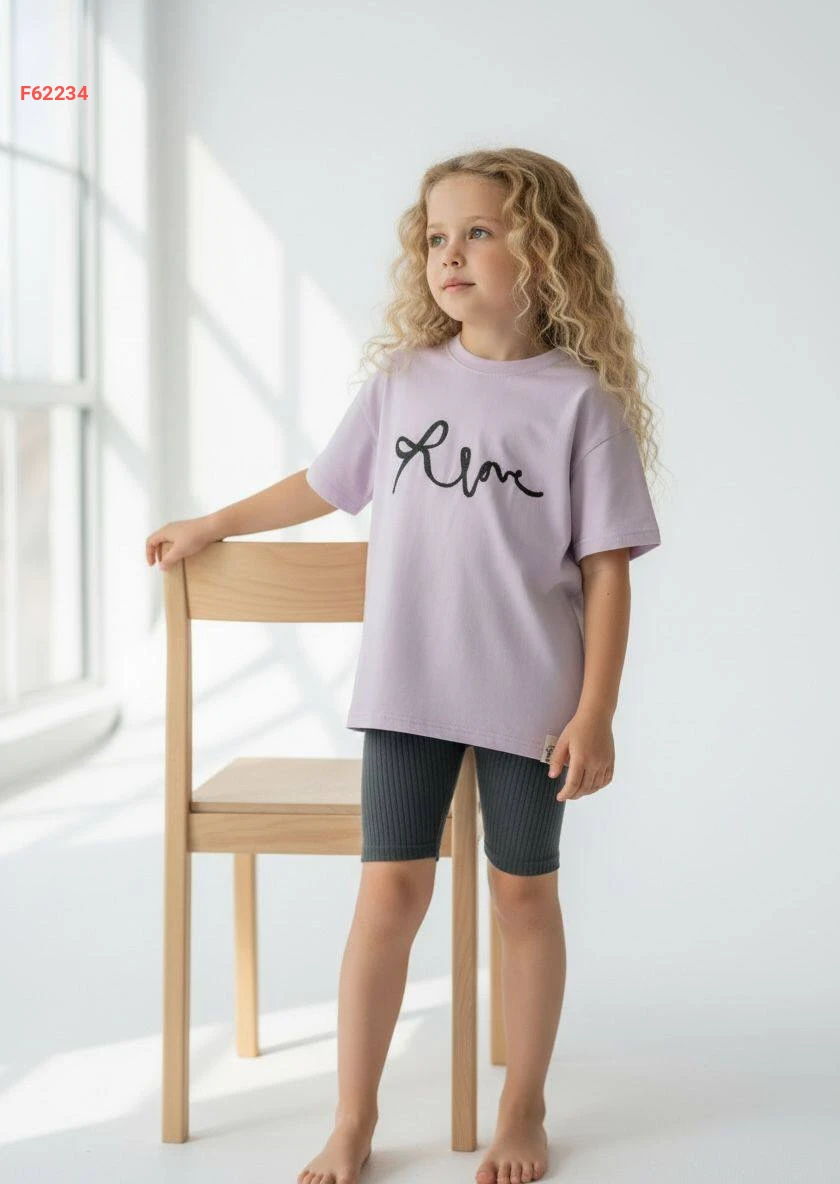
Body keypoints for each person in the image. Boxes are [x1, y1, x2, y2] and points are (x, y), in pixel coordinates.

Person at [146, 146, 664, 1184]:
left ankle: (524, 1107)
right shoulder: (404, 382)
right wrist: (216, 522)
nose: (450, 254)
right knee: (388, 893)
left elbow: (607, 573)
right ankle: (353, 1119)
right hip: (408, 689)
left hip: (532, 698)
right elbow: (325, 483)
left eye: (478, 232)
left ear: (544, 249)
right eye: (435, 237)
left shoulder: (579, 403)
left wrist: (596, 710)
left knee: (524, 897)